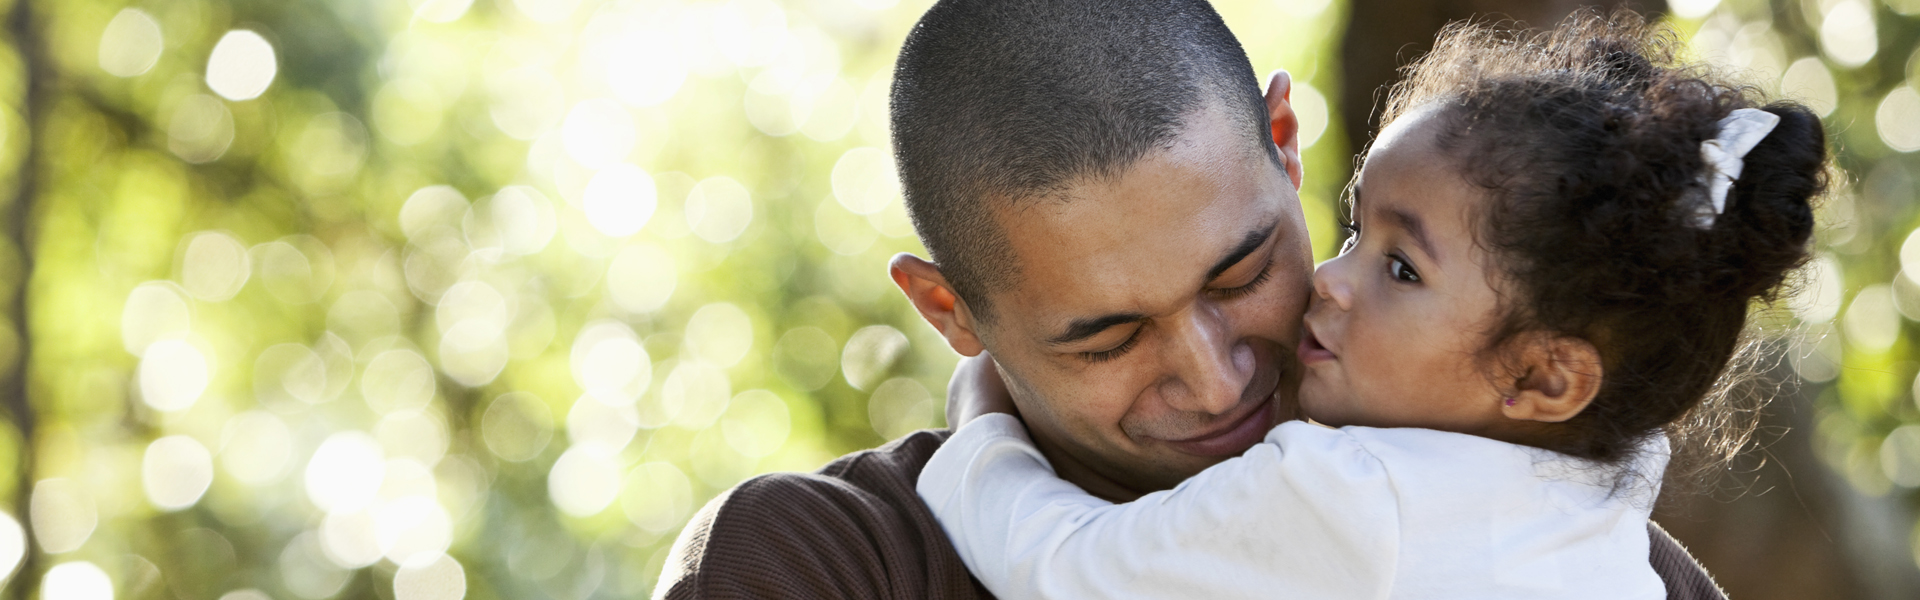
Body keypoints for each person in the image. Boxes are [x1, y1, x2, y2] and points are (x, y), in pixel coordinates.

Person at [654, 2, 1727, 598]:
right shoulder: (821, 567)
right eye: (1109, 338)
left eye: (1242, 275)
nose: (1218, 377)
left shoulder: (1574, 546)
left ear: (1286, 144)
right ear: (950, 314)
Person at [916, 11, 1823, 600]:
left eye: (1400, 271)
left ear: (1545, 374)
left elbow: (1062, 565)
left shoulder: (1348, 496)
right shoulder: (1607, 516)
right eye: (1356, 235)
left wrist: (980, 429)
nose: (1333, 283)